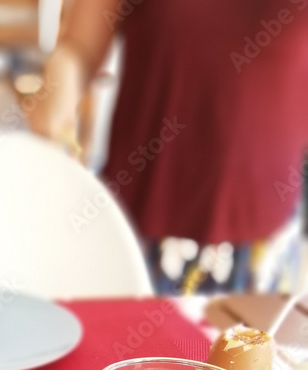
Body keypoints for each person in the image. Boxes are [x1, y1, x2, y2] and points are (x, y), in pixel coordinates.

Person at [28, 0, 308, 292]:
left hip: (267, 237)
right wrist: (61, 77)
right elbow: (79, 48)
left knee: (255, 339)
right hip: (142, 226)